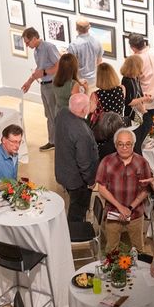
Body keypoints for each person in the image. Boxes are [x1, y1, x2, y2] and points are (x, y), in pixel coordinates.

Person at [94, 127, 154, 252]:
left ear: (133, 144)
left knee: (138, 249)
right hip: (113, 214)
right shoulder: (106, 162)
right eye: (120, 144)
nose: (124, 147)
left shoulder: (142, 163)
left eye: (128, 144)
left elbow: (146, 190)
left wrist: (130, 208)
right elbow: (102, 188)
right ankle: (112, 272)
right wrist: (120, 208)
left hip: (136, 214)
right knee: (111, 249)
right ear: (115, 145)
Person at [54, 93, 98, 221]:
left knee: (73, 204)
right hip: (77, 181)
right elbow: (84, 162)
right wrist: (90, 181)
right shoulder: (82, 133)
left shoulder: (62, 113)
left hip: (63, 171)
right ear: (84, 109)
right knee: (77, 210)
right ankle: (74, 234)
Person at [20, 27, 61, 150]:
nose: (27, 46)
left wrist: (44, 72)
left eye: (27, 42)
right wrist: (29, 82)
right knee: (48, 115)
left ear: (34, 38)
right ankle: (52, 141)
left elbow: (59, 66)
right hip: (44, 86)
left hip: (52, 85)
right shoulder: (36, 51)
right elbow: (39, 69)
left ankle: (59, 142)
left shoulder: (49, 47)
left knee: (55, 115)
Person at [128, 33, 154, 152]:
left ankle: (145, 149)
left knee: (144, 125)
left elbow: (135, 76)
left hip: (143, 96)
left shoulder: (136, 59)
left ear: (133, 47)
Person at [68, 17, 102, 85]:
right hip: (94, 79)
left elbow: (71, 66)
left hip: (80, 80)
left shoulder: (74, 45)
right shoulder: (97, 42)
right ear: (89, 27)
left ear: (76, 28)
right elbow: (99, 61)